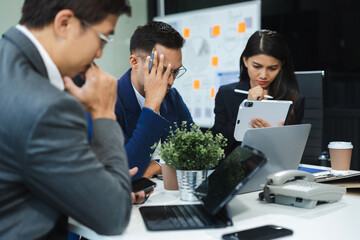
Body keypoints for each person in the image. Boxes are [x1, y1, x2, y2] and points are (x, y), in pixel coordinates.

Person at [0, 0, 148, 239]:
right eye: (102, 38)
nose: (99, 53)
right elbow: (112, 217)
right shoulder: (46, 106)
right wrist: (103, 112)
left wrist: (91, 182)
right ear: (65, 23)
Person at [115, 21, 193, 180]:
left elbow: (199, 153)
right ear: (135, 62)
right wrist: (151, 107)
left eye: (176, 71)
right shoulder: (109, 101)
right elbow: (126, 171)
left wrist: (157, 166)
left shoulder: (173, 98)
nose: (170, 81)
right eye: (161, 70)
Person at [211, 30, 304, 156]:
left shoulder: (293, 99)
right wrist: (246, 108)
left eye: (272, 68)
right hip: (235, 168)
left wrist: (278, 137)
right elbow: (218, 144)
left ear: (281, 65)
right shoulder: (226, 93)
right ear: (245, 61)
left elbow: (294, 151)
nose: (263, 75)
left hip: (276, 167)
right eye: (257, 66)